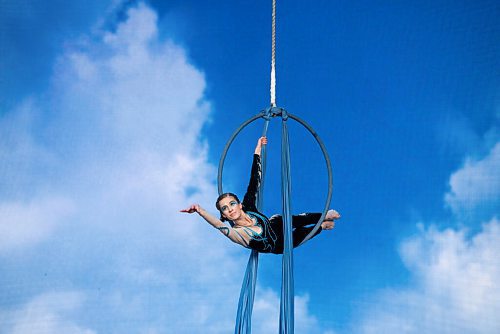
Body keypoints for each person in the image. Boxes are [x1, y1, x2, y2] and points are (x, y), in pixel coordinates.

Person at [180, 136, 340, 254]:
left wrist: (257, 151)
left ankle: (324, 215)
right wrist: (200, 211)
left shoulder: (248, 205)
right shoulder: (239, 234)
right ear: (224, 215)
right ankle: (321, 226)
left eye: (232, 204)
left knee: (296, 219)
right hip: (279, 245)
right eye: (224, 209)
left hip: (275, 224)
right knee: (301, 235)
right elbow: (217, 225)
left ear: (239, 204)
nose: (230, 209)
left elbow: (254, 180)